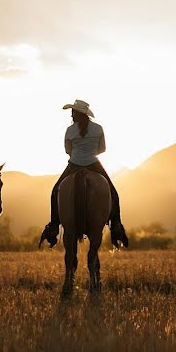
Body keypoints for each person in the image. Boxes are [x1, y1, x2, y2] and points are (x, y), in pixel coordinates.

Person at [39, 99, 129, 248]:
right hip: (94, 164)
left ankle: (54, 225)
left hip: (74, 164)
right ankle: (116, 225)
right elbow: (103, 149)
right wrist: (90, 153)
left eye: (72, 112)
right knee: (113, 193)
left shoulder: (69, 130)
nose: (71, 115)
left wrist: (78, 155)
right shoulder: (98, 128)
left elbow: (68, 150)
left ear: (76, 113)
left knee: (55, 191)